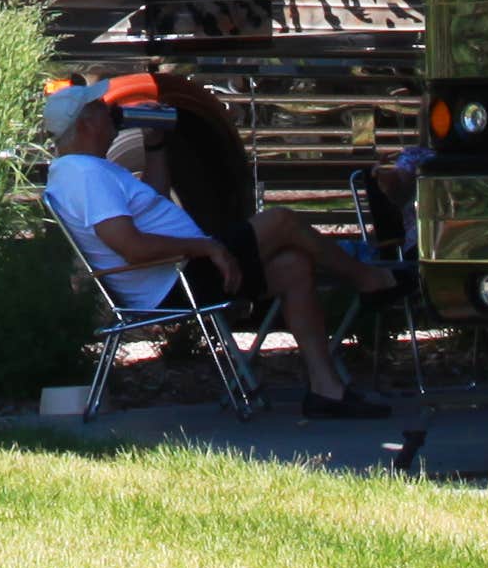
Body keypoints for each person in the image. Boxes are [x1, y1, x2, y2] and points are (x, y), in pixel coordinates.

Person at [42, 78, 391, 412]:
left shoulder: (89, 170)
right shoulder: (85, 175)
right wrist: (207, 248)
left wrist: (156, 144)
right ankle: (367, 279)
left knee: (293, 266)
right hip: (175, 281)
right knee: (283, 220)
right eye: (102, 107)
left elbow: (155, 199)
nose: (112, 111)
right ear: (86, 124)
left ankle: (325, 389)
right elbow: (132, 248)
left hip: (180, 275)